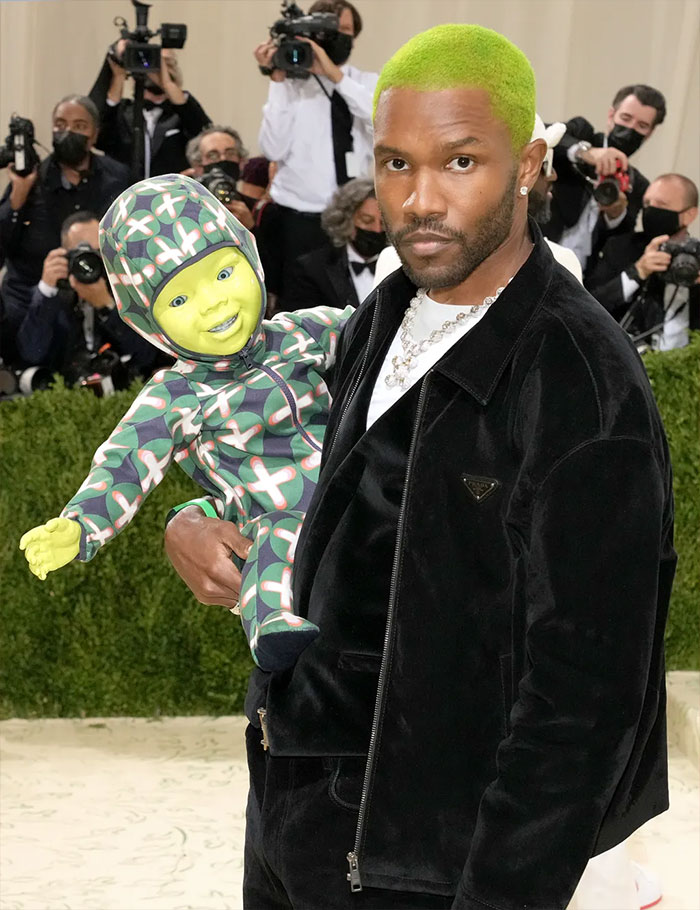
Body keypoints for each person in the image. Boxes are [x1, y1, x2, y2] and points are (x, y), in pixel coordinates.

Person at [164, 24, 675, 910]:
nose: (420, 199)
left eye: (460, 162)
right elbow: (325, 490)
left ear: (528, 164)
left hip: (435, 860)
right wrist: (197, 522)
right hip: (294, 817)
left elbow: (586, 705)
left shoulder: (579, 379)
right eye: (397, 163)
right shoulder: (378, 316)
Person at [20, 174, 353, 673]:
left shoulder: (302, 331)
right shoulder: (175, 395)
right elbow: (126, 462)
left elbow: (376, 332)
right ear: (145, 321)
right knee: (274, 541)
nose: (215, 302)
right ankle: (272, 622)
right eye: (178, 300)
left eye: (223, 273)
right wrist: (80, 524)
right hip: (273, 513)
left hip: (356, 494)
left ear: (251, 259)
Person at [254, 0, 378, 304]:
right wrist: (278, 80)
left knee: (351, 308)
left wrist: (335, 76)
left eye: (342, 30)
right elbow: (272, 148)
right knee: (297, 309)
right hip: (298, 219)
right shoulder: (291, 87)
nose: (330, 39)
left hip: (354, 222)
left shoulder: (365, 83)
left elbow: (382, 123)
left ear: (354, 36)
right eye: (322, 32)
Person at [373, 114, 582, 286]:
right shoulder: (393, 262)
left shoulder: (558, 265)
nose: (552, 176)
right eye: (398, 164)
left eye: (462, 162)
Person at [0, 95, 130, 354]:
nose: (68, 131)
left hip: (99, 296)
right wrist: (18, 193)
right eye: (60, 124)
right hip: (33, 300)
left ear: (94, 135)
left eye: (79, 126)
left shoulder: (118, 178)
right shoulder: (31, 180)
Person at [15, 211, 164, 385]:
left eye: (97, 252)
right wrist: (47, 289)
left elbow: (145, 357)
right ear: (64, 255)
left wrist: (107, 306)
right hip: (65, 395)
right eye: (81, 253)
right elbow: (30, 353)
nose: (90, 261)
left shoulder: (126, 290)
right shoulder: (52, 296)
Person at [543, 84, 666, 272]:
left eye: (642, 126)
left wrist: (615, 215)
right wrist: (586, 152)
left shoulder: (638, 184)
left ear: (650, 133)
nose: (630, 129)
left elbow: (621, 244)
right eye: (626, 118)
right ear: (611, 115)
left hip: (580, 278)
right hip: (537, 251)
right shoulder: (582, 133)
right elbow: (543, 135)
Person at [586, 173, 699, 350]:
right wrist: (637, 272)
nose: (650, 210)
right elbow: (589, 303)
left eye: (661, 205)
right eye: (647, 204)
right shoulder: (620, 248)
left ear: (689, 215)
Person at [89, 40, 211, 178]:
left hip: (169, 194)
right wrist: (118, 77)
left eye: (167, 63)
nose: (158, 69)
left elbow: (204, 132)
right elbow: (99, 139)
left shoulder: (182, 114)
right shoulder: (123, 111)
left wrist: (167, 84)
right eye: (155, 62)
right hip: (126, 193)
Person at [285, 177, 385, 310]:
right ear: (346, 220)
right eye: (367, 221)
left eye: (383, 223)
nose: (377, 229)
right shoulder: (311, 269)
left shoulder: (401, 264)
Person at [185, 125, 255, 229]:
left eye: (230, 153)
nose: (223, 159)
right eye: (212, 155)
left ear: (241, 162)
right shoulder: (186, 207)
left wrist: (250, 228)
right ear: (198, 166)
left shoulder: (256, 210)